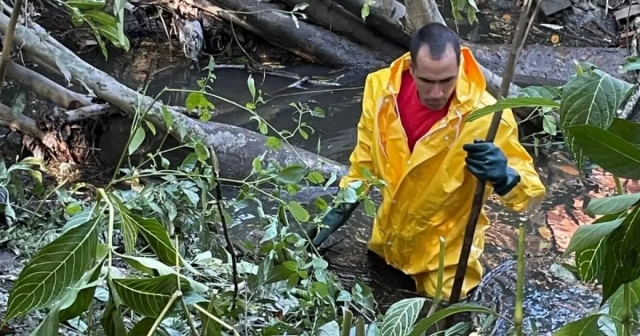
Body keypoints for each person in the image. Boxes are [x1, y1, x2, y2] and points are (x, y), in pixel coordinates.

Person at [307, 22, 546, 300]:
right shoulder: (381, 91)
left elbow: (532, 199)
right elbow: (364, 163)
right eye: (427, 81)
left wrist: (506, 177)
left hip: (445, 265)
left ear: (459, 67)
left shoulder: (487, 118)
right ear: (411, 67)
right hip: (387, 243)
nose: (437, 93)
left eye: (446, 81)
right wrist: (334, 215)